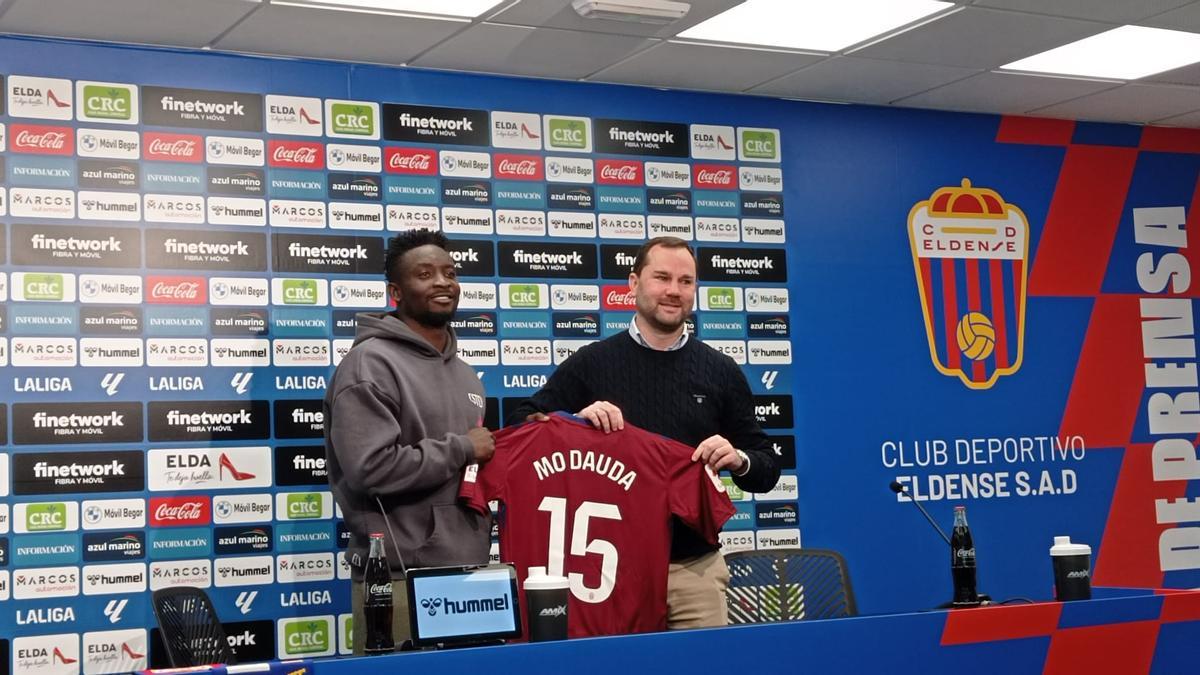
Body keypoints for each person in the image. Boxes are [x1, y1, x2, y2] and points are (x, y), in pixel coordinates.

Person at [508, 235, 781, 629]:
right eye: (662, 278)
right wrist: (574, 418)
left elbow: (767, 468)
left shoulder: (721, 371)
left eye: (685, 281)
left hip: (692, 572)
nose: (674, 291)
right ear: (634, 283)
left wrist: (739, 460)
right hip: (609, 574)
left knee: (706, 661)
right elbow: (523, 423)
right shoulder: (593, 363)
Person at [325, 229, 494, 653]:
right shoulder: (369, 364)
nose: (442, 282)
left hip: (471, 576)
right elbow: (370, 469)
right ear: (396, 292)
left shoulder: (467, 375)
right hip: (398, 580)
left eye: (450, 273)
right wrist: (462, 448)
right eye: (425, 274)